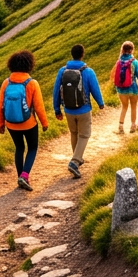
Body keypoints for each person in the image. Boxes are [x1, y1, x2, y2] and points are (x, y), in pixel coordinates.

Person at [0, 50, 49, 192]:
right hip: (29, 123)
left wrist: (0, 124)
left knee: (19, 148)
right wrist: (44, 123)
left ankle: (20, 176)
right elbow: (39, 106)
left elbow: (0, 105)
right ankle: (24, 176)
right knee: (32, 148)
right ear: (29, 65)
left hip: (11, 124)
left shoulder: (6, 83)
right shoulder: (32, 83)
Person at [52, 43, 104, 177]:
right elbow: (95, 88)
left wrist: (57, 109)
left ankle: (77, 157)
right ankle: (74, 162)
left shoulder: (62, 71)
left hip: (68, 110)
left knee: (74, 133)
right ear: (82, 55)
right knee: (84, 135)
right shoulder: (88, 71)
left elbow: (56, 90)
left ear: (72, 55)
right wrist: (100, 103)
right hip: (84, 109)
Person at [112, 40, 138, 134]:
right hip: (133, 88)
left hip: (121, 89)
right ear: (132, 50)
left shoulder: (119, 62)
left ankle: (121, 126)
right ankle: (133, 126)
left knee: (124, 107)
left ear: (122, 49)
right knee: (133, 107)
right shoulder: (134, 62)